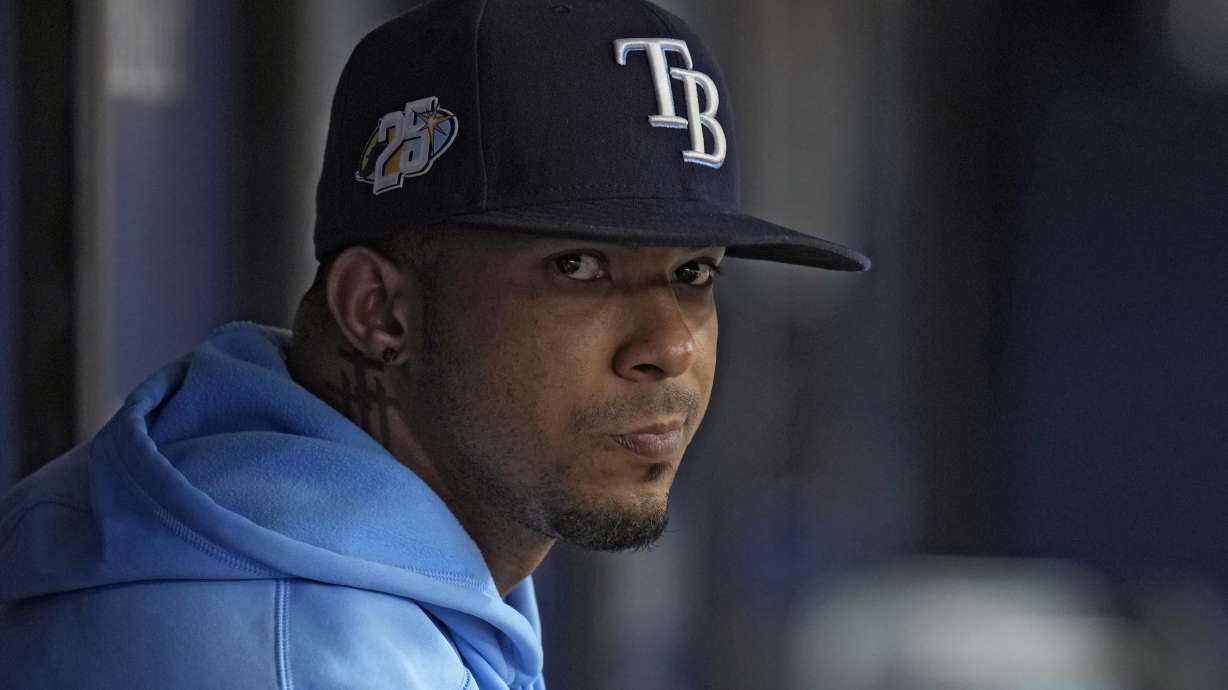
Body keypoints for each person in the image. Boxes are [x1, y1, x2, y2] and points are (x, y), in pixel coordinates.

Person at [0, 1, 868, 688]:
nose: (670, 347)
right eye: (580, 266)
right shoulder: (307, 657)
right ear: (380, 310)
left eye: (694, 275)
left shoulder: (229, 524)